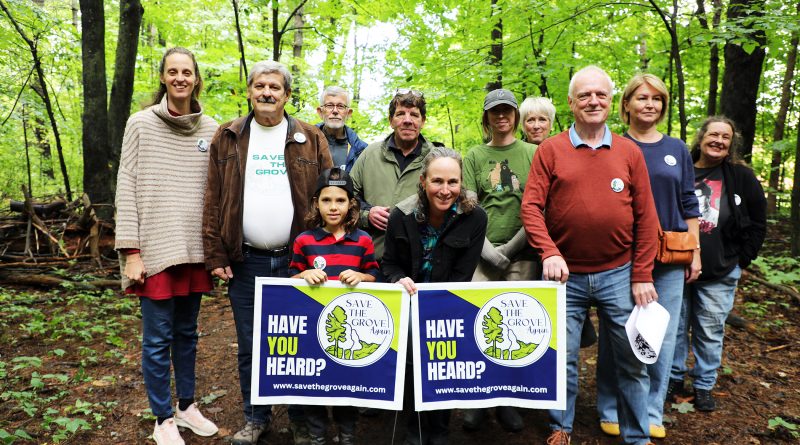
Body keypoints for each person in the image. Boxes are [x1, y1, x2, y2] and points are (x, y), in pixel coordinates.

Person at [520, 65, 660, 445]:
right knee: (562, 358)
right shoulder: (551, 150)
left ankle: (637, 435)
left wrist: (643, 274)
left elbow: (647, 217)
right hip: (565, 277)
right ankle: (559, 428)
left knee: (632, 360)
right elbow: (531, 208)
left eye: (600, 94)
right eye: (584, 95)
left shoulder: (629, 152)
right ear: (571, 102)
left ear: (611, 102)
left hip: (619, 272)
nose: (593, 101)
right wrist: (549, 252)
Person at [202, 60, 332, 445]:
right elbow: (212, 198)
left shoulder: (310, 137)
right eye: (260, 85)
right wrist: (216, 253)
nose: (267, 93)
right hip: (246, 260)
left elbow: (330, 198)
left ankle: (298, 419)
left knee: (299, 342)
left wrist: (323, 251)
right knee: (251, 344)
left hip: (298, 261)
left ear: (287, 95)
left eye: (275, 87)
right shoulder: (228, 136)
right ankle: (255, 419)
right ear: (249, 91)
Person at [115, 47, 219, 445]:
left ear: (196, 79)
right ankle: (162, 418)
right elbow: (126, 186)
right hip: (155, 251)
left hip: (194, 251)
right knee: (157, 339)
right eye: (172, 71)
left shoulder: (210, 129)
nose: (180, 78)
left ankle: (186, 405)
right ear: (163, 77)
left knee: (187, 334)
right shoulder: (140, 124)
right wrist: (131, 252)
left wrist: (217, 251)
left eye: (187, 72)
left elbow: (217, 193)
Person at [595, 73, 701, 440]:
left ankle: (652, 411)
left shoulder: (678, 149)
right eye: (641, 98)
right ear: (625, 105)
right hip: (622, 257)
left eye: (657, 99)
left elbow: (690, 201)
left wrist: (695, 250)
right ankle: (609, 407)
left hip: (668, 258)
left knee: (663, 336)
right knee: (620, 336)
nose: (649, 104)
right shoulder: (613, 146)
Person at [382, 146, 487, 445]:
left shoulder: (475, 217)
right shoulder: (400, 215)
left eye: (452, 182)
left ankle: (440, 429)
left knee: (443, 360)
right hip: (408, 299)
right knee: (413, 363)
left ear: (461, 182)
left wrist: (438, 306)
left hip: (449, 298)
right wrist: (397, 279)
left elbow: (464, 273)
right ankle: (414, 428)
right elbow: (388, 262)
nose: (445, 190)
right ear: (423, 181)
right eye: (437, 181)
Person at [669, 116, 766, 412]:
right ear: (701, 137)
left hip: (720, 272)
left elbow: (758, 223)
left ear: (731, 143)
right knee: (674, 329)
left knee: (710, 331)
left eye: (725, 137)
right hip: (676, 267)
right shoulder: (681, 169)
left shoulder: (740, 176)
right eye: (713, 134)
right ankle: (673, 378)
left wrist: (741, 260)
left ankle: (703, 385)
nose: (719, 141)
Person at [460, 89, 537, 433]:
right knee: (480, 325)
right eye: (495, 112)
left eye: (507, 111)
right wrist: (488, 249)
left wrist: (512, 248)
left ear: (516, 116)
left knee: (515, 326)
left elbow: (540, 206)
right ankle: (477, 400)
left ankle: (507, 400)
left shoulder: (534, 153)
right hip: (482, 254)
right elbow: (468, 206)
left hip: (523, 253)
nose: (501, 117)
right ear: (487, 117)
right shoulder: (475, 155)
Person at [289, 167, 380, 445]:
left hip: (348, 333)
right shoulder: (304, 241)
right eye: (326, 200)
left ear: (351, 204)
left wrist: (361, 276)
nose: (333, 207)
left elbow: (374, 276)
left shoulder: (363, 240)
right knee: (315, 385)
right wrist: (304, 275)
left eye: (340, 200)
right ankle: (317, 435)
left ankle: (347, 434)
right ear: (316, 203)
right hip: (314, 330)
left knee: (346, 383)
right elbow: (290, 279)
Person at [350, 89, 441, 262]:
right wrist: (366, 215)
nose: (407, 120)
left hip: (423, 260)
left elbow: (452, 202)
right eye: (400, 114)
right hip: (373, 260)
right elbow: (346, 196)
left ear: (423, 121)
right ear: (391, 121)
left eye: (414, 115)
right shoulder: (370, 154)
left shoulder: (437, 159)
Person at [315, 86, 369, 172]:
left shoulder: (363, 151)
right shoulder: (306, 145)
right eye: (329, 105)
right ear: (320, 112)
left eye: (341, 106)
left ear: (348, 113)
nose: (335, 111)